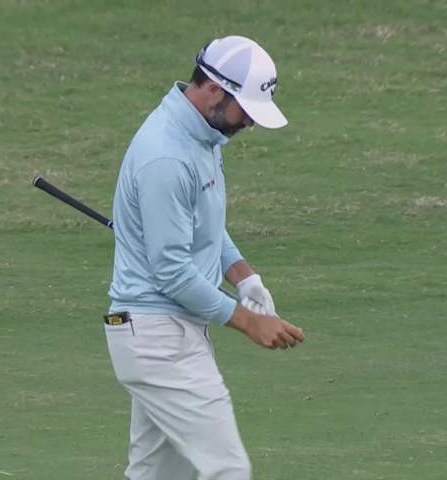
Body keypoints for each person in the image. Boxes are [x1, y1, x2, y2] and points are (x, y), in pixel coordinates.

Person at [104, 35, 305, 480]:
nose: (249, 123)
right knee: (226, 469)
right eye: (246, 110)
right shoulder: (167, 155)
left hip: (162, 333)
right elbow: (173, 274)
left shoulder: (202, 137)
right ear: (214, 89)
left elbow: (200, 224)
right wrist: (250, 321)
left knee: (157, 475)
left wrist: (244, 276)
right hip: (158, 338)